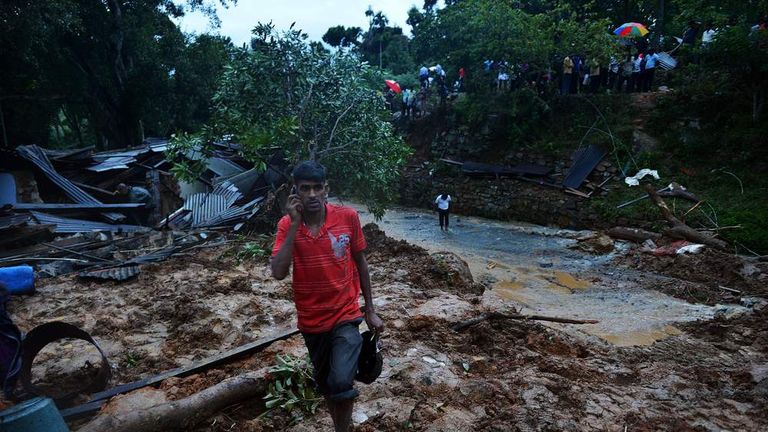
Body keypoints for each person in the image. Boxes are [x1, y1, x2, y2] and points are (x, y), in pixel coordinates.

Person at [271, 161, 384, 432]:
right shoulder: (287, 225)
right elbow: (278, 272)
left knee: (341, 382)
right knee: (327, 387)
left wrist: (369, 309)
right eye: (305, 188)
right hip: (311, 321)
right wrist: (295, 225)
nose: (312, 195)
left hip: (346, 314)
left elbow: (361, 262)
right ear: (294, 191)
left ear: (326, 189)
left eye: (317, 188)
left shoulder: (347, 218)